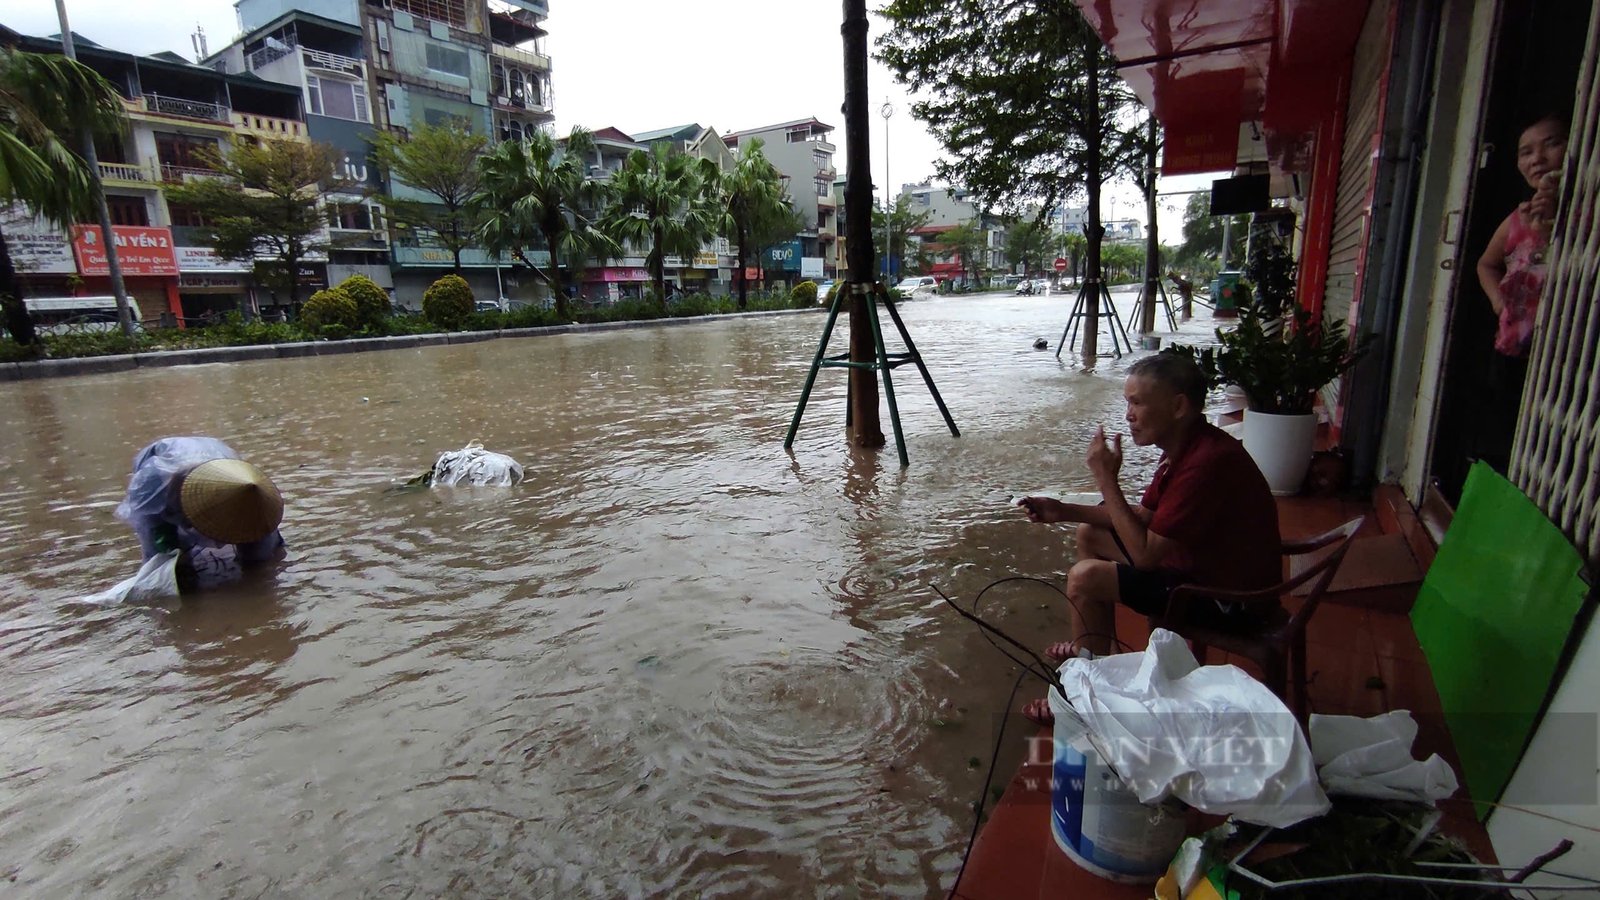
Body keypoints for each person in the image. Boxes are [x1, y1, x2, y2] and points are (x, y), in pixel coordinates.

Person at [1015, 353, 1280, 721]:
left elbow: (1146, 557)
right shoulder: (1187, 447)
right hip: (1201, 569)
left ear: (1178, 406)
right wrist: (1062, 509)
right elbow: (1141, 518)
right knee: (1091, 533)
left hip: (1229, 601)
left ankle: (1081, 700)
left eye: (1137, 402)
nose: (1128, 414)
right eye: (1127, 402)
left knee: (1085, 578)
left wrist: (1105, 478)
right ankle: (1092, 659)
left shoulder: (1206, 463)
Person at [1474, 114, 1567, 472]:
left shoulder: (1585, 213)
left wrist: (1556, 225)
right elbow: (1485, 264)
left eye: (1552, 144)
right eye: (1526, 152)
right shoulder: (1517, 218)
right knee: (1511, 426)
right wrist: (1499, 303)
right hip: (1517, 345)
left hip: (1567, 346)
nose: (1537, 159)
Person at [115, 436, 285, 588]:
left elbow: (262, 536)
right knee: (165, 561)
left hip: (223, 463)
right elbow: (155, 541)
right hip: (164, 474)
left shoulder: (251, 491)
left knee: (261, 560)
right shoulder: (151, 487)